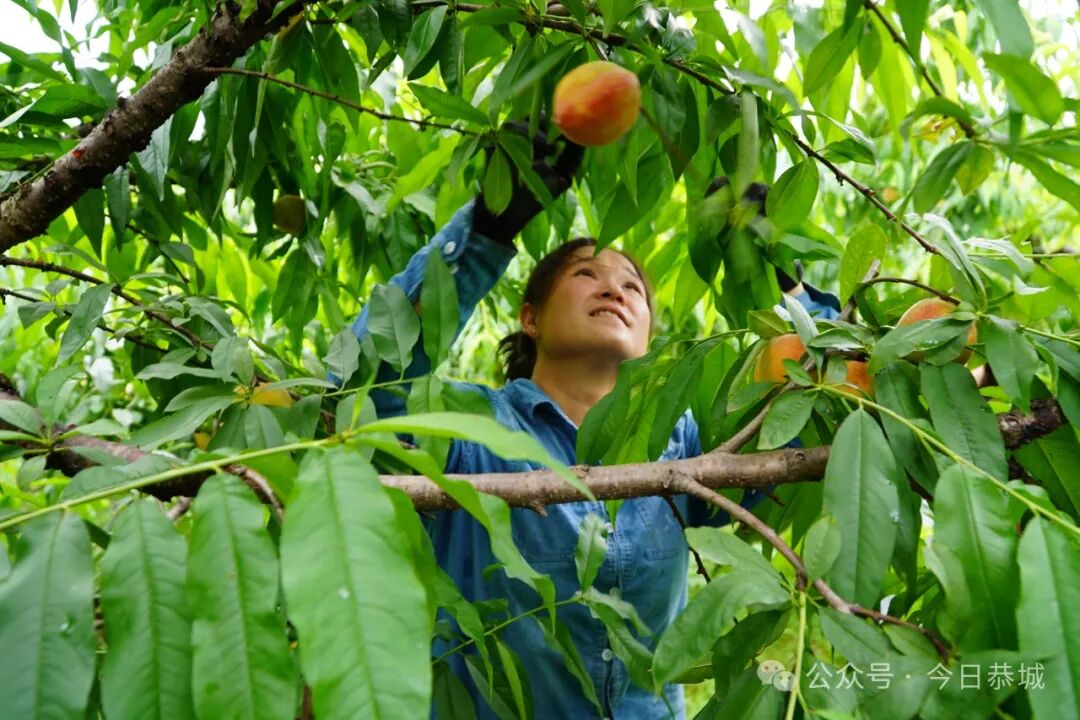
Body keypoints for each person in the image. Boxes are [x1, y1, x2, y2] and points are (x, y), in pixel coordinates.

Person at [349, 131, 840, 718]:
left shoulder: (686, 440)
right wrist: (484, 234)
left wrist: (786, 289)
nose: (614, 286)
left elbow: (814, 420)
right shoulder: (472, 428)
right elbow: (362, 394)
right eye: (586, 274)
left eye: (633, 285)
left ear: (649, 337)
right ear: (530, 317)